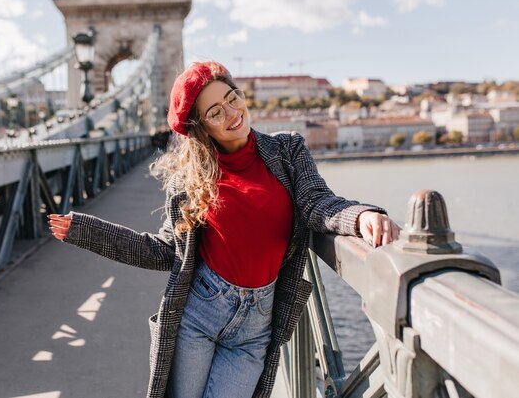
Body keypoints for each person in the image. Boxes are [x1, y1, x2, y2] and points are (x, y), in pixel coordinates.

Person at [48, 61, 400, 398]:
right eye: (216, 112)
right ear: (201, 126)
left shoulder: (287, 150)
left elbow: (316, 202)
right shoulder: (189, 179)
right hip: (201, 313)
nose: (232, 114)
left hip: (257, 324)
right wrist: (85, 231)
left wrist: (359, 216)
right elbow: (165, 251)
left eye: (233, 98)